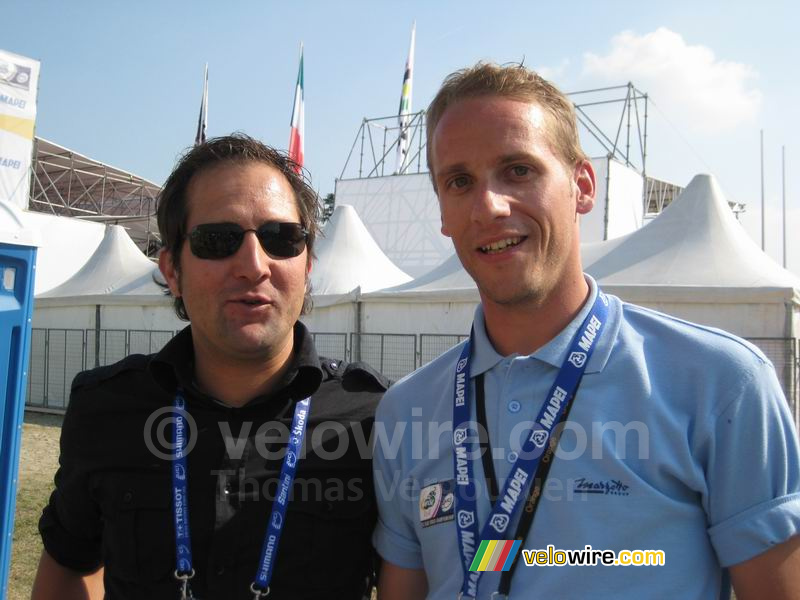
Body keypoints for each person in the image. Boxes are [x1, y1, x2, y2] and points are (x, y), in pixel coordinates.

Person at [372, 63, 800, 600]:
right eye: (459, 182)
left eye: (518, 170)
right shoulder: (407, 407)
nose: (489, 206)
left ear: (581, 185)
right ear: (442, 210)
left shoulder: (720, 383)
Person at [33, 134, 387, 599]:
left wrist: (518, 553)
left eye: (282, 238)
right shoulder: (106, 408)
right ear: (172, 271)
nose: (253, 265)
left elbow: (461, 561)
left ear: (307, 266)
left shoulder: (376, 416)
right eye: (218, 240)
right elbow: (69, 559)